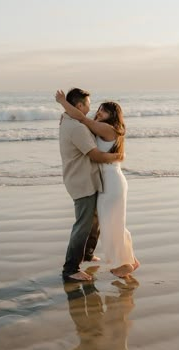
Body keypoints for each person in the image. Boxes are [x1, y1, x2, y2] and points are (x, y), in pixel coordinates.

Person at [56, 90, 139, 278]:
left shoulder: (106, 129)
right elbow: (80, 119)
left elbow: (81, 119)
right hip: (105, 182)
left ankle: (127, 263)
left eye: (104, 111)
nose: (98, 112)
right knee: (110, 222)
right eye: (98, 108)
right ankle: (129, 261)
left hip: (111, 181)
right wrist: (65, 112)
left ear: (113, 117)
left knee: (113, 223)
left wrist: (63, 103)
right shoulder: (91, 126)